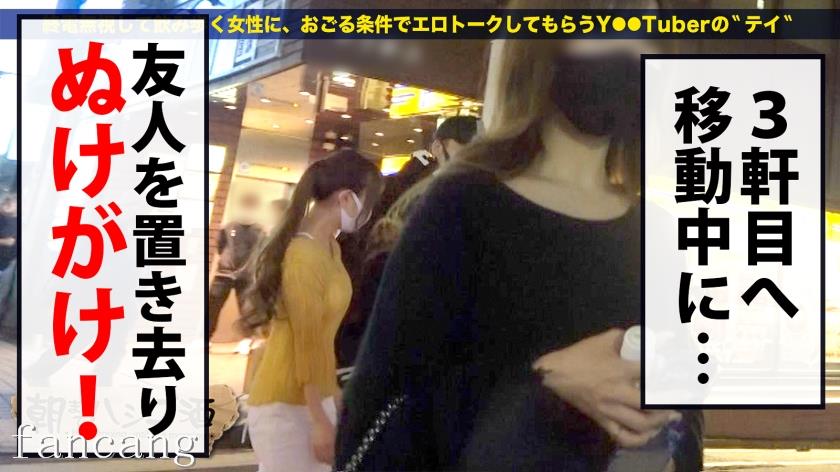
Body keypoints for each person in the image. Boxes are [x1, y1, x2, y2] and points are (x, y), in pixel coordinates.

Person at [334, 2, 703, 471]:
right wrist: (543, 385)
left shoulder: (657, 235)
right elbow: (377, 419)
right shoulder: (463, 207)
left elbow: (686, 416)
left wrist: (667, 440)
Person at [242, 150, 383, 472]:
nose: (369, 212)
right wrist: (320, 419)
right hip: (285, 404)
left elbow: (321, 340)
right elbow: (306, 342)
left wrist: (332, 401)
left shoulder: (329, 248)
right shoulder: (303, 256)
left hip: (311, 400)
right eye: (368, 202)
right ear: (346, 198)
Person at [336, 116, 480, 369]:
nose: (475, 157)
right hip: (382, 315)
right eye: (467, 146)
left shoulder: (447, 191)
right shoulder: (427, 192)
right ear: (438, 147)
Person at [209, 192, 265, 339]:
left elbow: (261, 252)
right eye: (246, 205)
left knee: (247, 310)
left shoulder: (260, 231)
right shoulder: (228, 227)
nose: (248, 209)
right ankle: (205, 338)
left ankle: (248, 339)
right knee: (212, 307)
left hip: (247, 276)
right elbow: (220, 247)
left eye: (251, 206)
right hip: (224, 274)